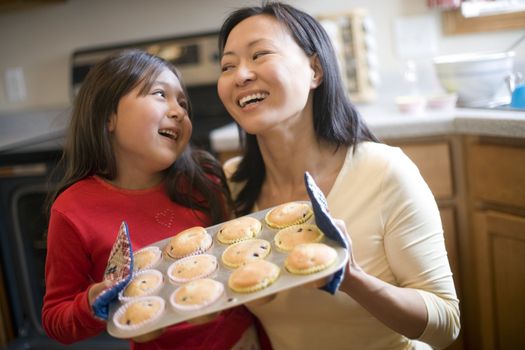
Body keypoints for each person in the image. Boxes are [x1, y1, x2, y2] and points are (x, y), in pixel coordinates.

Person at [216, 2, 460, 349]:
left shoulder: (383, 171)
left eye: (259, 55)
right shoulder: (231, 183)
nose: (240, 75)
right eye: (228, 65)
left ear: (314, 70)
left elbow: (446, 323)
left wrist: (353, 279)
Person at [42, 49, 260, 350]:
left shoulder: (203, 179)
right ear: (108, 117)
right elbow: (56, 318)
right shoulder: (72, 211)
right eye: (160, 94)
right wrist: (92, 301)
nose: (179, 111)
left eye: (183, 103)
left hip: (242, 341)